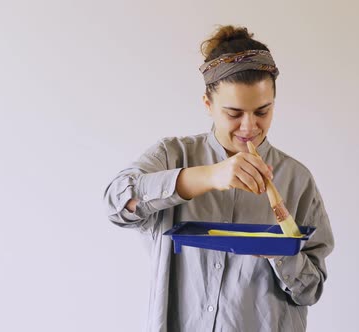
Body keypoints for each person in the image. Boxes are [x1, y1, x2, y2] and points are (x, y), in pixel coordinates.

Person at [103, 25, 334, 332]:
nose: (249, 126)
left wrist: (281, 252)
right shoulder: (171, 155)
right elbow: (116, 205)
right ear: (208, 105)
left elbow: (310, 290)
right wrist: (209, 176)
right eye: (234, 113)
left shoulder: (296, 179)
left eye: (262, 111)